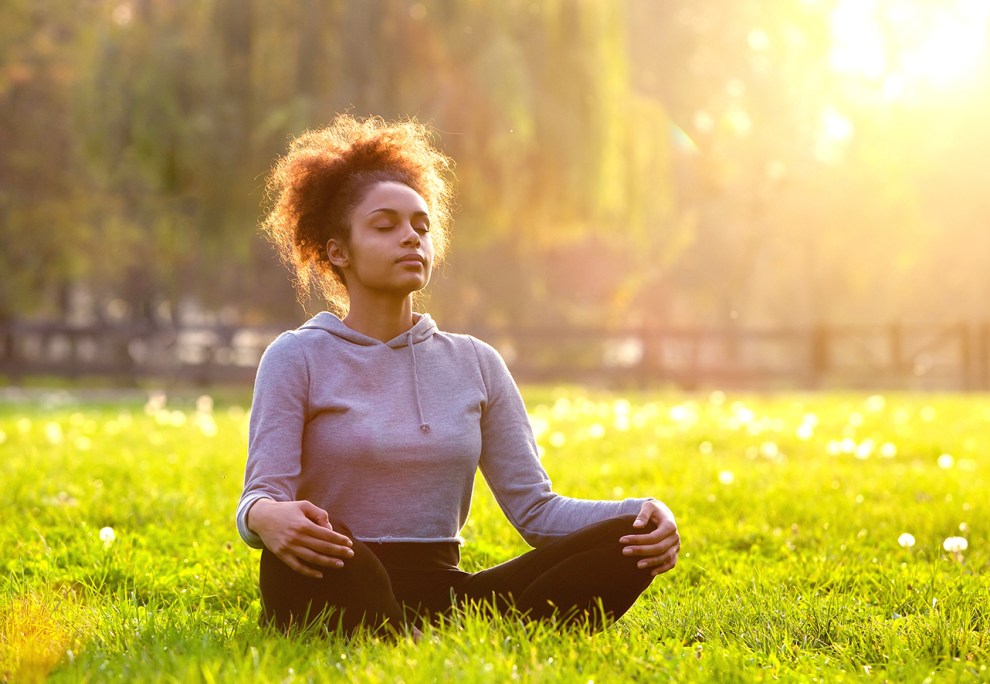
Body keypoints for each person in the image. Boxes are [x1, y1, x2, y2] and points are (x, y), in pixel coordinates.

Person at [236, 114, 680, 637]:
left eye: (421, 227)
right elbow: (261, 495)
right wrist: (266, 518)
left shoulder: (476, 362)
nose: (410, 238)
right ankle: (406, 634)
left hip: (445, 593)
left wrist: (645, 513)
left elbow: (536, 511)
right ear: (338, 250)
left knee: (629, 541)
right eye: (386, 226)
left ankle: (409, 634)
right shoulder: (296, 356)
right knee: (329, 559)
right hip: (335, 571)